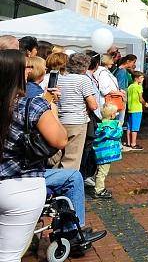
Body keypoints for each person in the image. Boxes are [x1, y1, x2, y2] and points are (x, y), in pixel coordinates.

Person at [0, 48, 68, 261]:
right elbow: (60, 139)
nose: (29, 70)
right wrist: (52, 108)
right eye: (26, 66)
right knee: (9, 255)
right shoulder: (31, 103)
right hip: (21, 185)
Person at [52, 53, 98, 170]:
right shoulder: (84, 80)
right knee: (72, 158)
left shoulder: (60, 78)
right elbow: (93, 105)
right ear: (85, 66)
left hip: (59, 119)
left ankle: (53, 182)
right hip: (77, 121)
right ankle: (65, 184)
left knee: (57, 156)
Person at [91, 103, 122, 199]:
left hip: (99, 152)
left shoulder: (99, 125)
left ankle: (97, 186)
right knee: (102, 172)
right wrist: (119, 127)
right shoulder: (111, 126)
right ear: (112, 115)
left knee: (100, 170)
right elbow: (117, 134)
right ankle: (99, 190)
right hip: (107, 154)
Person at [125, 71, 148, 150]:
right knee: (135, 127)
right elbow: (141, 99)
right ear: (136, 78)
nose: (143, 79)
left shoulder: (130, 86)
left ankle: (128, 142)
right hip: (137, 109)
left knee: (129, 126)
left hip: (130, 108)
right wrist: (145, 104)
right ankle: (133, 143)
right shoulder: (138, 87)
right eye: (141, 77)